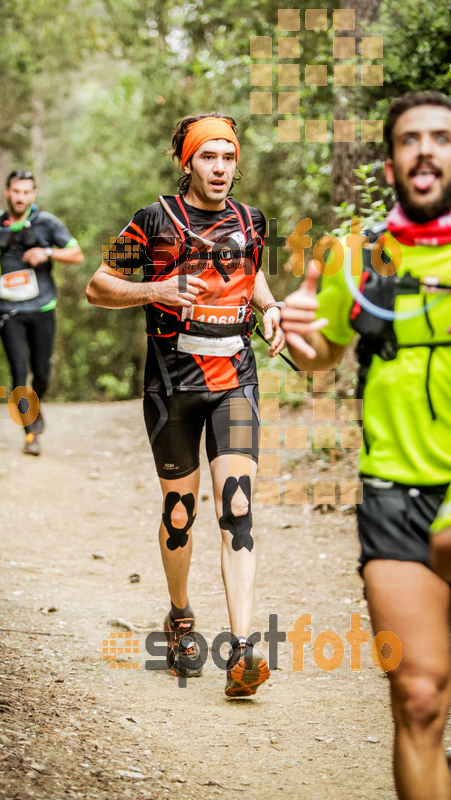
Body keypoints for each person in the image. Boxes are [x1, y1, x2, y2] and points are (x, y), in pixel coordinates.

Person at [281, 91, 451, 799]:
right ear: (389, 165)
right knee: (416, 696)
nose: (425, 150)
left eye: (441, 137)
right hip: (391, 489)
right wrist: (296, 334)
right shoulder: (356, 255)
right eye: (410, 139)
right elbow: (323, 353)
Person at [86, 113, 285, 696]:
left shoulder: (251, 221)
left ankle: (243, 651)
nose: (220, 169)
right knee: (181, 513)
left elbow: (251, 276)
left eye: (228, 157)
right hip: (171, 385)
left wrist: (269, 307)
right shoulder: (154, 219)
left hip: (235, 381)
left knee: (238, 507)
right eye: (208, 158)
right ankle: (180, 617)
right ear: (188, 163)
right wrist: (156, 289)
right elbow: (97, 286)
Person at [0, 170, 83, 455]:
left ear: (33, 194)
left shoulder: (46, 223)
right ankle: (31, 434)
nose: (21, 197)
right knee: (19, 373)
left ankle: (36, 404)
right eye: (16, 191)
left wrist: (47, 253)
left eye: (26, 192)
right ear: (7, 192)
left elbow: (76, 254)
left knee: (42, 373)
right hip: (8, 310)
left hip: (42, 307)